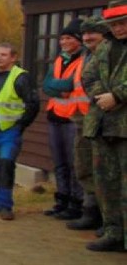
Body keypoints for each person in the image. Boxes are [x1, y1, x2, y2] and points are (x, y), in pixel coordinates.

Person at [0, 42, 39, 220]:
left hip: (9, 131)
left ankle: (5, 206)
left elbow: (33, 104)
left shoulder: (21, 77)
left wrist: (20, 126)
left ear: (13, 57)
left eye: (3, 55)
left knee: (6, 165)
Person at [82, 0, 127, 253]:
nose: (118, 28)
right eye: (114, 24)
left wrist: (118, 96)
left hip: (124, 125)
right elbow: (88, 76)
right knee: (105, 181)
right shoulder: (105, 47)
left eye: (122, 23)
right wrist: (102, 95)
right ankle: (113, 231)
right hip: (102, 124)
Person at [41, 17, 87, 220]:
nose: (63, 42)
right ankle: (62, 199)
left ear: (78, 40)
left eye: (68, 38)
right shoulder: (59, 59)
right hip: (55, 116)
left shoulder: (84, 60)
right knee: (59, 162)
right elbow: (47, 85)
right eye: (62, 38)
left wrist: (58, 88)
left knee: (73, 163)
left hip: (73, 118)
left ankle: (77, 203)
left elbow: (69, 85)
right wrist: (59, 89)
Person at [66, 17, 109, 232]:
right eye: (85, 35)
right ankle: (91, 212)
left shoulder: (111, 55)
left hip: (107, 122)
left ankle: (107, 219)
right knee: (83, 167)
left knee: (104, 170)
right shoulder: (85, 56)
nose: (88, 37)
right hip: (83, 120)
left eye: (93, 33)